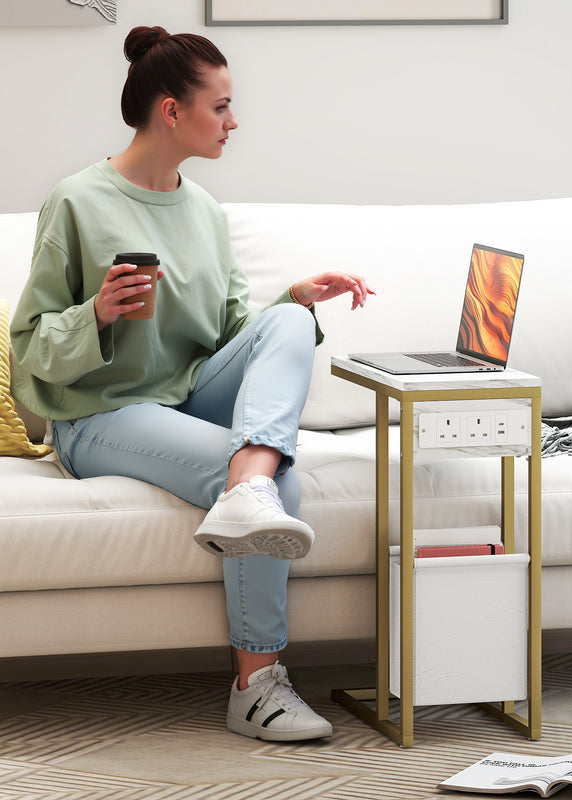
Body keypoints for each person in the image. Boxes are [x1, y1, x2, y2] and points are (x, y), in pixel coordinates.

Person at [10, 25, 374, 742]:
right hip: (100, 412)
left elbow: (238, 332)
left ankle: (249, 478)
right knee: (279, 488)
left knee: (291, 325)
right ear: (172, 111)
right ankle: (257, 688)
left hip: (184, 392)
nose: (234, 122)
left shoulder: (205, 210)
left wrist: (295, 298)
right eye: (222, 107)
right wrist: (97, 314)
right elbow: (29, 352)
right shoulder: (77, 201)